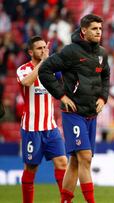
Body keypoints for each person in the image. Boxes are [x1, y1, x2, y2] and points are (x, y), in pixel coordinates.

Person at [38, 14, 110, 203]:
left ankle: (65, 201)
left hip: (91, 113)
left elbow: (106, 76)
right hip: (73, 114)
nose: (98, 32)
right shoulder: (70, 52)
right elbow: (45, 70)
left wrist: (103, 97)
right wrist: (61, 95)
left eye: (100, 29)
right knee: (85, 157)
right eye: (94, 29)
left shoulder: (102, 53)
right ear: (84, 30)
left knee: (76, 162)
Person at [16, 36, 67, 203]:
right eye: (39, 48)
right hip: (31, 129)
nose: (44, 50)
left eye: (45, 47)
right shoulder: (23, 69)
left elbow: (66, 80)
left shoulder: (52, 69)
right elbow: (27, 82)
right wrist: (43, 64)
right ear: (31, 52)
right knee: (31, 168)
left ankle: (66, 201)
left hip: (50, 127)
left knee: (62, 163)